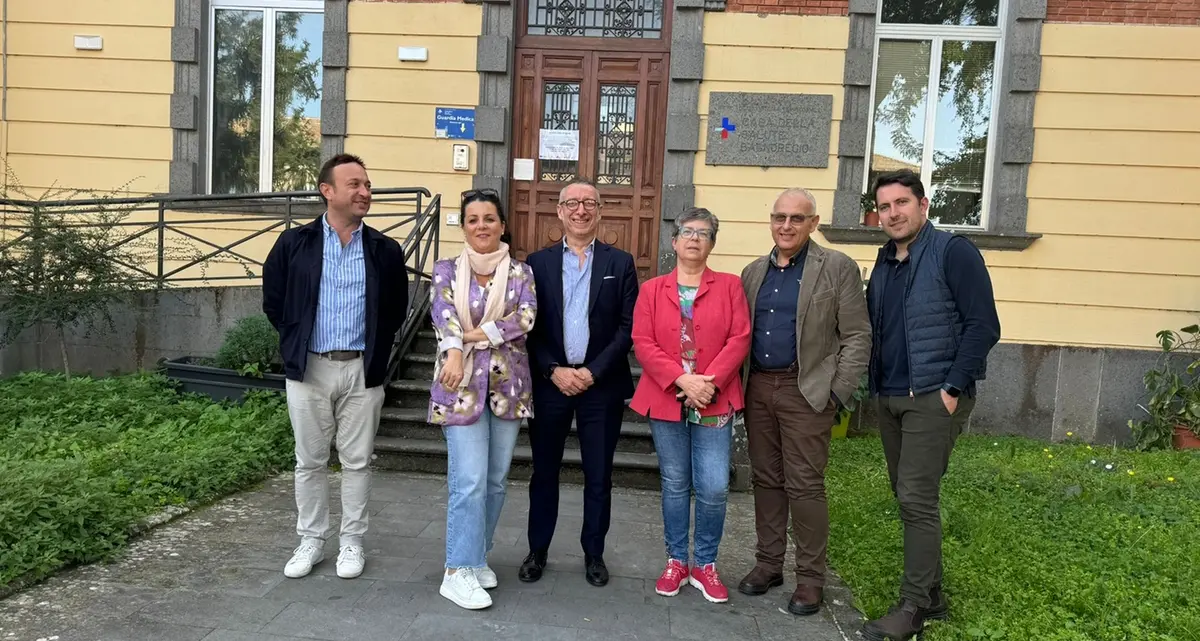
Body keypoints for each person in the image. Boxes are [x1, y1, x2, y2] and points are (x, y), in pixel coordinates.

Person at [859, 169, 1000, 641]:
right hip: (892, 396)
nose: (893, 213)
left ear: (923, 204)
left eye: (902, 202)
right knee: (906, 494)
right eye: (885, 206)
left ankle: (914, 607)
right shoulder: (884, 261)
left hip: (933, 397)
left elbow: (984, 325)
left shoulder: (953, 252)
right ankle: (934, 595)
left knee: (917, 498)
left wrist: (953, 387)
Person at [262, 153, 409, 580]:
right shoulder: (294, 244)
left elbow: (396, 309)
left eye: (367, 184)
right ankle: (310, 539)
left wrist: (376, 353)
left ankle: (351, 542)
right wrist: (296, 340)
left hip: (362, 370)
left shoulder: (384, 249)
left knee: (357, 461)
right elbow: (274, 301)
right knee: (308, 461)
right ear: (327, 191)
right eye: (355, 185)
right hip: (309, 368)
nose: (365, 192)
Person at [736, 188, 871, 615]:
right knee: (766, 479)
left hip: (806, 389)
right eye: (780, 217)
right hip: (758, 387)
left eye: (797, 218)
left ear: (813, 223)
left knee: (805, 485)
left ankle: (810, 579)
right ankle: (768, 564)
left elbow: (856, 335)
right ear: (771, 221)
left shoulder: (836, 267)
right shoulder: (752, 272)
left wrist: (836, 391)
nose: (787, 225)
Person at [519, 178, 639, 587]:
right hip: (550, 382)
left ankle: (594, 554)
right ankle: (537, 550)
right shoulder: (536, 262)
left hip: (600, 385)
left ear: (600, 210)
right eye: (572, 203)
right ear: (559, 211)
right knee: (544, 472)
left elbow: (628, 328)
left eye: (589, 203)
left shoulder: (620, 263)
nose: (581, 210)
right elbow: (528, 327)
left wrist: (591, 372)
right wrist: (553, 369)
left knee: (599, 475)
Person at [630, 207, 751, 604]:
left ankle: (705, 564)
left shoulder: (731, 286)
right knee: (675, 483)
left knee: (714, 486)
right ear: (674, 241)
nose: (694, 238)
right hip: (666, 398)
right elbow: (643, 342)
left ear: (712, 243)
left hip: (714, 400)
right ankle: (677, 560)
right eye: (687, 231)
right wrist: (682, 379)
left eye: (703, 233)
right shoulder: (651, 289)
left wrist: (707, 384)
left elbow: (740, 338)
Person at [427, 188, 537, 610]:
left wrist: (469, 337)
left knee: (494, 482)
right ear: (463, 225)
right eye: (473, 219)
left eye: (489, 218)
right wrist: (455, 348)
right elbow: (443, 313)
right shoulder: (445, 269)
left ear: (502, 226)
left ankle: (478, 556)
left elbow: (524, 318)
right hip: (460, 387)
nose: (481, 226)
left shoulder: (521, 273)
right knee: (469, 481)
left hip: (508, 390)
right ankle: (456, 570)